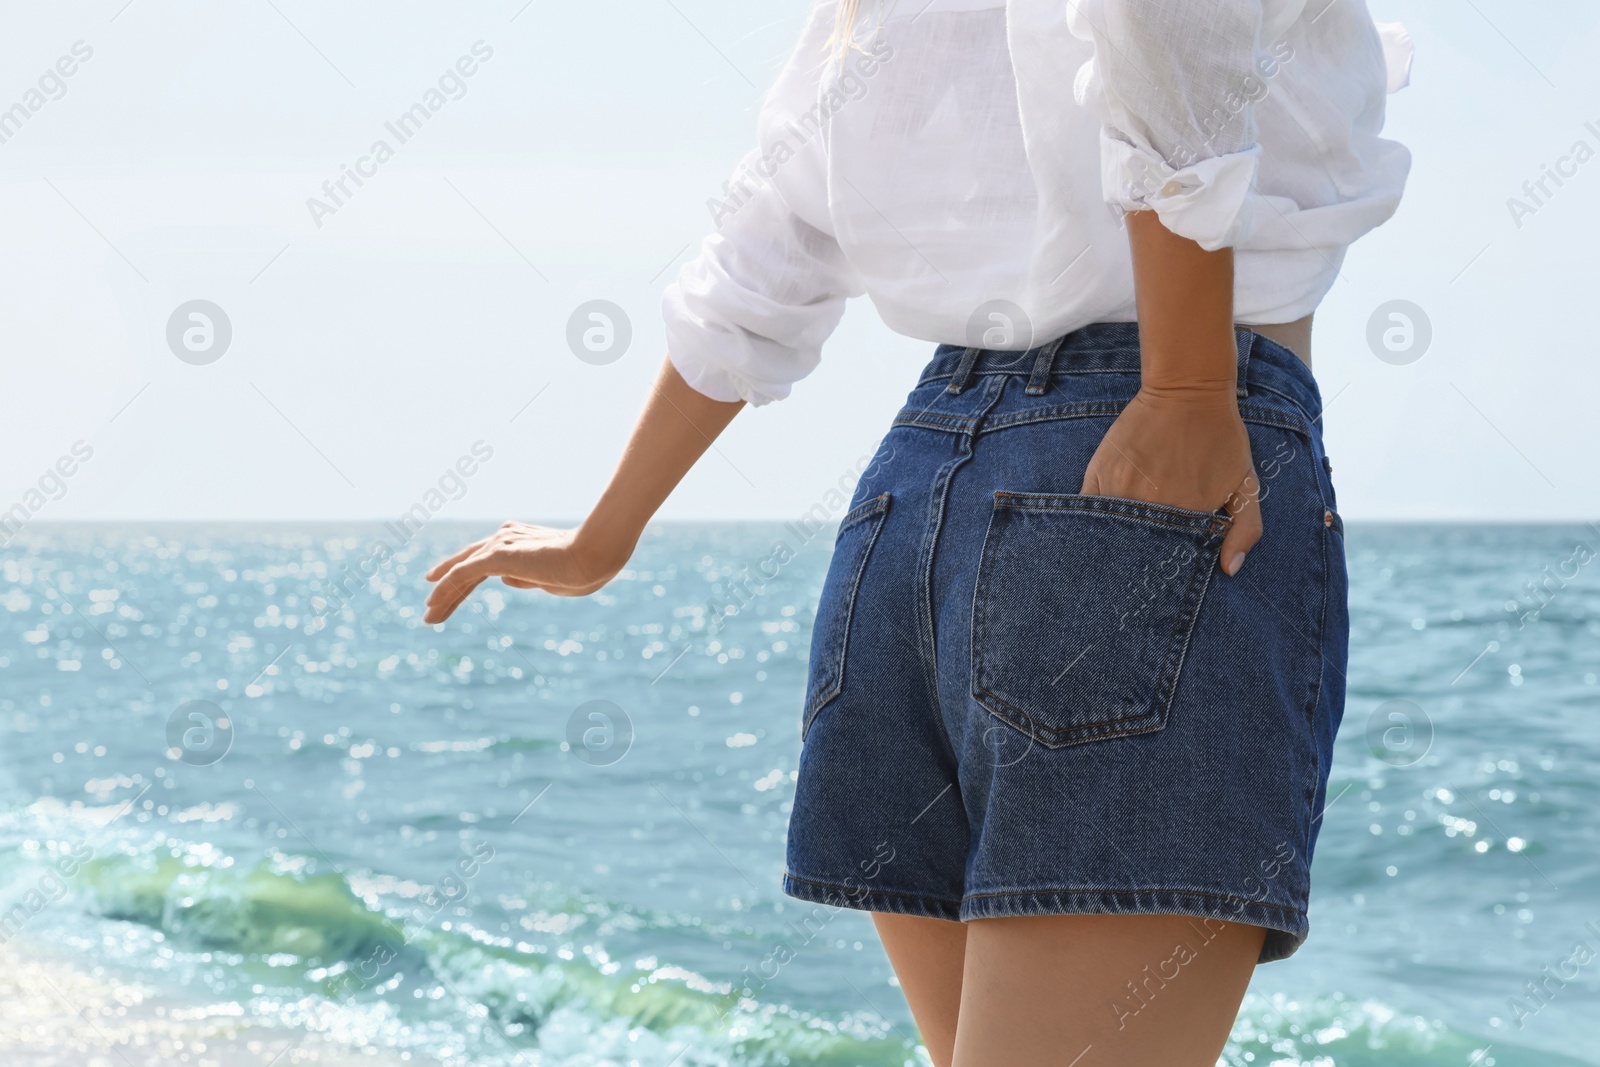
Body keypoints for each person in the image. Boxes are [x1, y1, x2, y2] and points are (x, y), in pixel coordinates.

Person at [424, 1, 1413, 1062]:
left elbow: (768, 248)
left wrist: (606, 532)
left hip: (917, 496)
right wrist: (1180, 384)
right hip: (1131, 468)